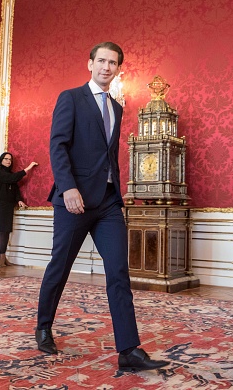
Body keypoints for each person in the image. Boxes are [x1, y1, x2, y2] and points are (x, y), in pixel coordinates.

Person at [36, 42, 169, 372]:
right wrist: (67, 188)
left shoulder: (117, 107)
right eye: (102, 61)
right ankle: (43, 326)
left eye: (113, 63)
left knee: (118, 271)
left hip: (108, 202)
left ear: (118, 69)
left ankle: (128, 350)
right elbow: (58, 145)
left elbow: (108, 156)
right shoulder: (71, 98)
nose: (107, 67)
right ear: (90, 64)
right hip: (74, 201)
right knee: (60, 266)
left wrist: (116, 192)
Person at [0, 152, 38, 267]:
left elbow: (15, 189)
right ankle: (1, 258)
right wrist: (28, 168)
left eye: (10, 160)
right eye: (6, 159)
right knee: (2, 229)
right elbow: (12, 178)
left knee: (6, 229)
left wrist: (19, 200)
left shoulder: (10, 174)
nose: (8, 161)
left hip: (8, 204)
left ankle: (3, 257)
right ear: (1, 160)